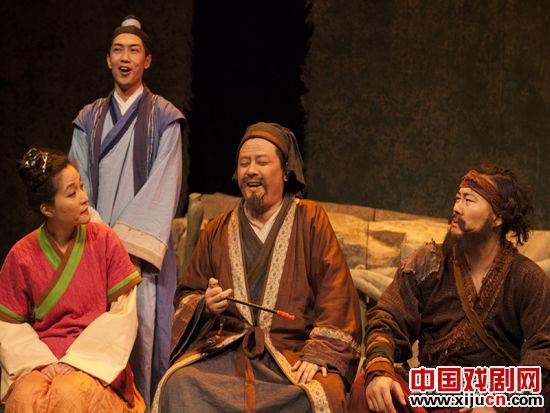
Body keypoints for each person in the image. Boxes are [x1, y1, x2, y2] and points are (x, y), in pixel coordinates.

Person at [153, 122, 362, 412]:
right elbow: (188, 294)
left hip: (291, 354)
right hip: (227, 353)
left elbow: (336, 294)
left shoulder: (310, 220)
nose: (251, 170)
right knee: (178, 384)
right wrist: (205, 305)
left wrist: (319, 354)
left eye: (262, 162)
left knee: (320, 393)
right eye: (244, 163)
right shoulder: (216, 230)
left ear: (285, 171)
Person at [349, 165, 550, 413]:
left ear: (497, 218)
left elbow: (543, 349)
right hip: (431, 393)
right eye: (457, 198)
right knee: (366, 389)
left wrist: (499, 404)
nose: (456, 208)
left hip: (496, 394)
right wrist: (379, 371)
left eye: (469, 200)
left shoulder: (526, 277)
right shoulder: (428, 264)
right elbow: (387, 319)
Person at [69, 15, 185, 407]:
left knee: (143, 338)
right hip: (94, 248)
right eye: (118, 50)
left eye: (134, 50)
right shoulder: (88, 119)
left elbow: (163, 188)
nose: (125, 58)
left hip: (140, 259)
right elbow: (76, 185)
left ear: (147, 61)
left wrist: (121, 248)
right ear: (107, 59)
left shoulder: (165, 118)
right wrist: (99, 238)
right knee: (94, 346)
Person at [0, 147, 144, 412]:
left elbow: (123, 312)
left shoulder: (105, 241)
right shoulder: (21, 255)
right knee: (23, 399)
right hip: (41, 359)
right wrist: (42, 363)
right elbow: (9, 325)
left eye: (81, 187)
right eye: (71, 193)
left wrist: (79, 361)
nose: (84, 197)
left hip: (96, 358)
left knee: (69, 395)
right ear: (47, 209)